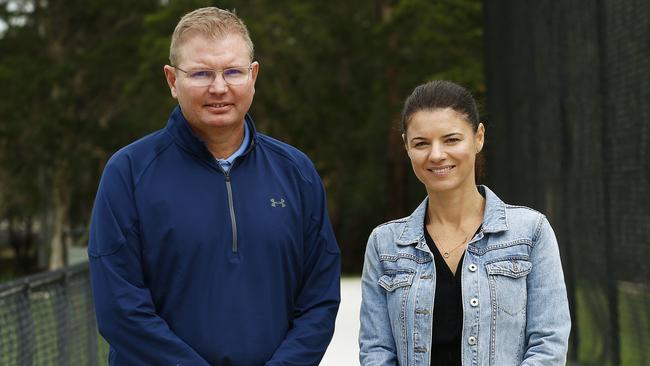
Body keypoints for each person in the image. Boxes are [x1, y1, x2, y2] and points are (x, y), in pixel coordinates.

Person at [88, 7, 340, 365]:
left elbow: (319, 298)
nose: (219, 87)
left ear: (253, 76)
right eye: (201, 73)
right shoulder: (128, 173)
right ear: (172, 80)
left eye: (233, 71)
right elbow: (120, 308)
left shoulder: (296, 172)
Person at [359, 80, 570, 365]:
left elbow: (548, 345)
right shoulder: (384, 245)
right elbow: (376, 351)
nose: (436, 155)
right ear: (406, 147)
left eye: (451, 139)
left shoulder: (531, 232)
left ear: (478, 137)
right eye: (421, 143)